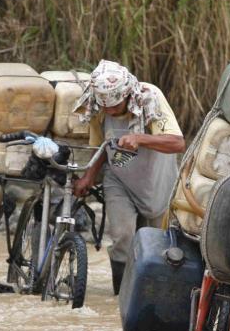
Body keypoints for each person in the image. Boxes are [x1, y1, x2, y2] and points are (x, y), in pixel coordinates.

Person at [72, 60, 185, 295]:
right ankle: (121, 299)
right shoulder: (97, 105)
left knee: (156, 246)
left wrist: (141, 138)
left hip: (157, 179)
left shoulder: (150, 97)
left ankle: (149, 297)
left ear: (127, 95)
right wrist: (89, 176)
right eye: (107, 108)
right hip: (119, 178)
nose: (110, 112)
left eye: (115, 106)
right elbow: (101, 146)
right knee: (123, 236)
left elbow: (177, 143)